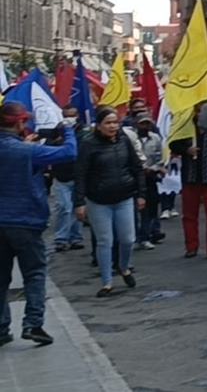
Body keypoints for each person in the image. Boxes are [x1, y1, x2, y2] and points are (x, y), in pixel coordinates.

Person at [0, 103, 78, 346]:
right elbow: (69, 153)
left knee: (1, 277)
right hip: (26, 220)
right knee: (34, 273)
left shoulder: (24, 149)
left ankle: (2, 328)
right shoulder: (27, 151)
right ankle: (33, 323)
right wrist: (69, 129)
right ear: (19, 122)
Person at [75, 106, 144, 297]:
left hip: (124, 197)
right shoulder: (88, 145)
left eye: (115, 122)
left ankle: (124, 267)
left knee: (128, 239)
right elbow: (80, 174)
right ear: (99, 126)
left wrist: (141, 193)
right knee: (105, 241)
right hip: (98, 200)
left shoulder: (124, 140)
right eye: (108, 123)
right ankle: (107, 282)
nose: (113, 126)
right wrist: (79, 202)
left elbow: (136, 167)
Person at [170, 102, 207, 260]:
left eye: (203, 111)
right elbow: (173, 143)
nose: (200, 114)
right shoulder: (185, 126)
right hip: (190, 177)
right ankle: (191, 247)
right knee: (189, 215)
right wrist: (186, 150)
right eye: (198, 111)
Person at [50, 105, 85, 252]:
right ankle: (61, 238)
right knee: (64, 207)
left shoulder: (84, 132)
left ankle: (76, 237)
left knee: (77, 208)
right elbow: (49, 148)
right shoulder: (57, 131)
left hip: (78, 175)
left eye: (73, 115)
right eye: (67, 116)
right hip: (61, 176)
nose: (70, 119)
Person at [131, 113, 166, 250]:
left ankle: (145, 236)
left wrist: (154, 169)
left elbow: (160, 158)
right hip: (134, 178)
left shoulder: (155, 138)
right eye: (142, 123)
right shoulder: (130, 138)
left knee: (149, 209)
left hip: (150, 178)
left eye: (147, 123)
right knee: (135, 209)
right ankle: (135, 236)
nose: (145, 126)